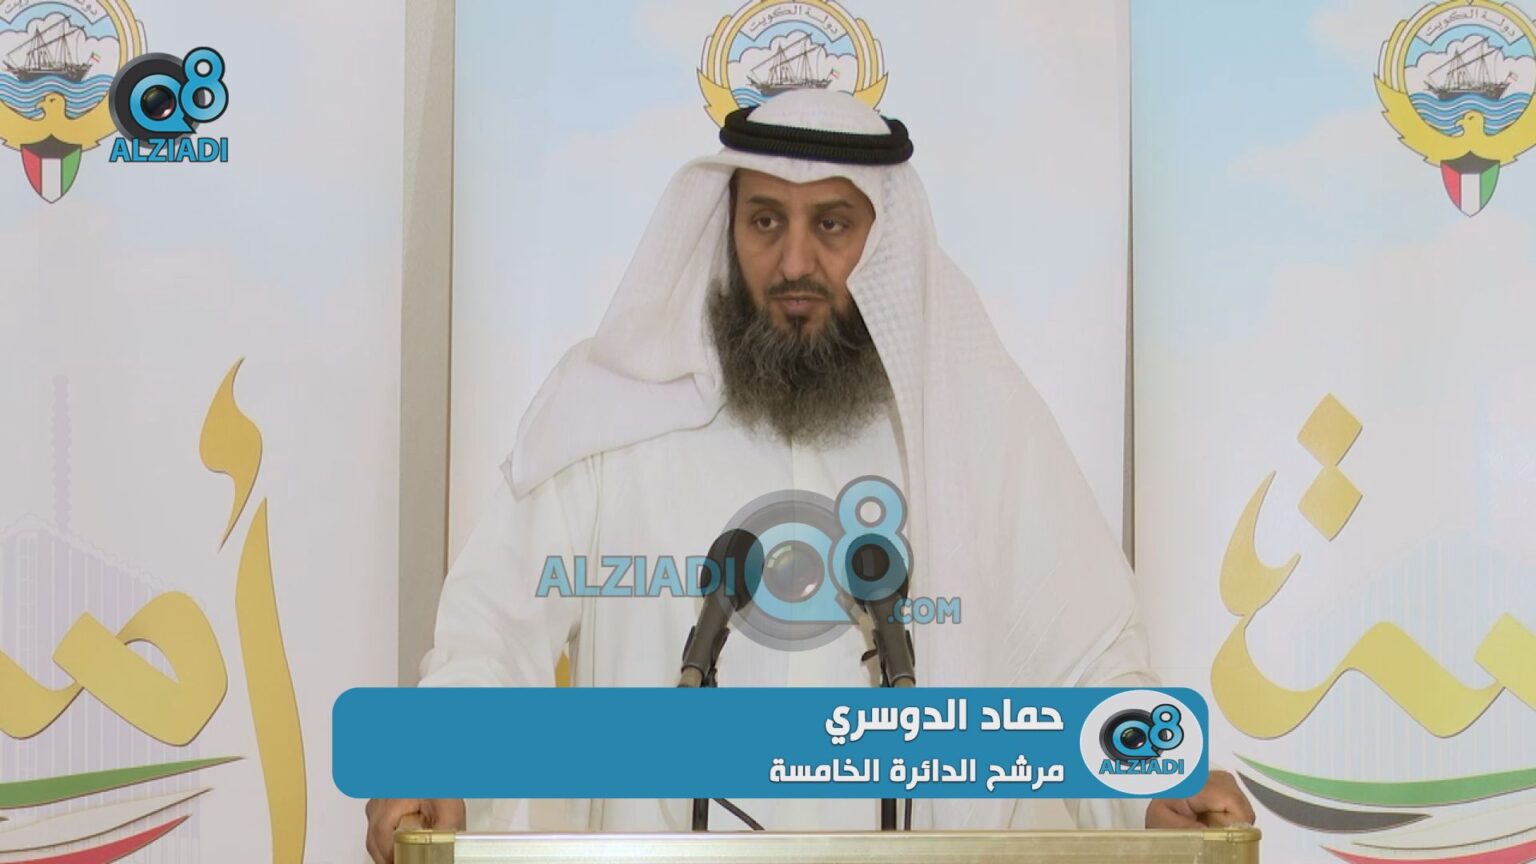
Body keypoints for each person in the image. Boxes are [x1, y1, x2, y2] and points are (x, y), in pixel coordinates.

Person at [364, 90, 1252, 863]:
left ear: (883, 238)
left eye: (831, 224)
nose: (794, 262)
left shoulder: (975, 422)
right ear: (728, 231)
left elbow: (1088, 655)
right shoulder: (614, 414)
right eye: (765, 222)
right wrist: (440, 768)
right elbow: (492, 637)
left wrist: (1158, 780)